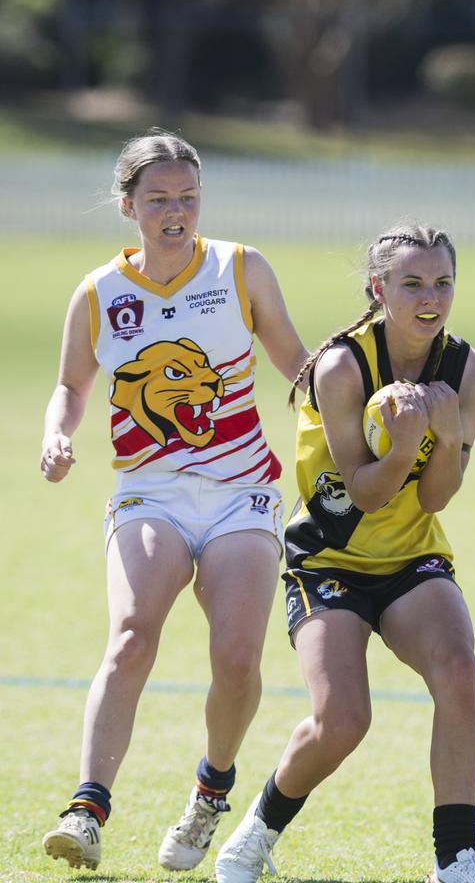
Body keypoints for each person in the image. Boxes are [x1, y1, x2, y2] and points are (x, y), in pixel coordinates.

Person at [39, 129, 308, 873]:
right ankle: (87, 808)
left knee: (236, 659)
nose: (176, 212)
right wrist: (58, 434)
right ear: (128, 206)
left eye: (188, 198)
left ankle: (210, 792)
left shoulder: (241, 267)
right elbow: (70, 385)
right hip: (148, 491)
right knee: (131, 634)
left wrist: (350, 395)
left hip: (241, 493)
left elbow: (294, 360)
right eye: (158, 200)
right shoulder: (99, 292)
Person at [214, 224, 475, 883]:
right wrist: (403, 445)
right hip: (327, 558)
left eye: (442, 283)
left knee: (458, 672)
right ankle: (258, 830)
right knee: (343, 719)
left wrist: (452, 435)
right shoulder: (341, 367)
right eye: (411, 283)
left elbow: (433, 501)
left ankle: (455, 857)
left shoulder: (472, 375)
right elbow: (367, 494)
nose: (429, 298)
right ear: (378, 288)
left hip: (411, 559)